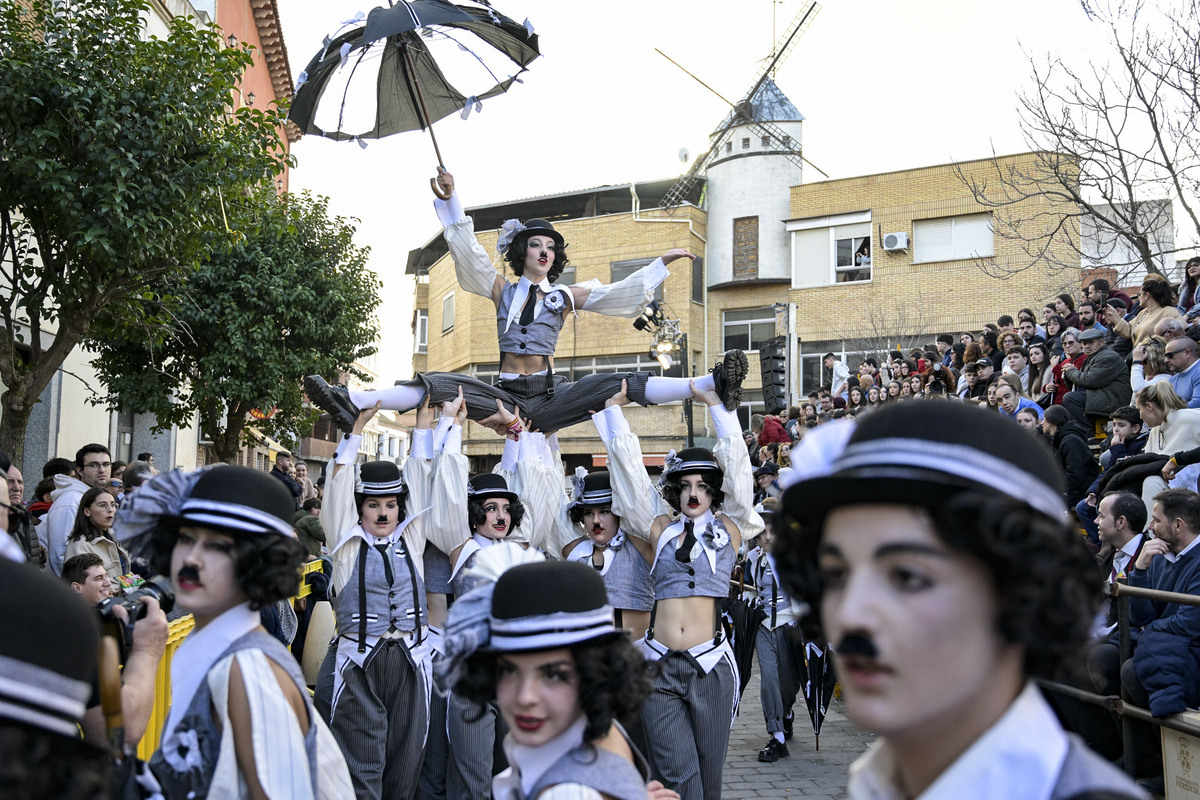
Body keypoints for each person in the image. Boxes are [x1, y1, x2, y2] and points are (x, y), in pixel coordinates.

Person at [773, 401, 1143, 799]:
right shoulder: (872, 785)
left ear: (1020, 593)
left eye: (907, 576)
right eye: (836, 575)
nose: (850, 613)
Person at [306, 169, 746, 436]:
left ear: (555, 257)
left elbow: (618, 295)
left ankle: (706, 385)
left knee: (618, 382)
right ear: (522, 253)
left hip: (549, 398)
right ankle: (356, 400)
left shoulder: (564, 295)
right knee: (438, 381)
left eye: (550, 247)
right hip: (502, 395)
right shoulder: (503, 289)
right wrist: (451, 199)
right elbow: (469, 254)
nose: (543, 252)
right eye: (535, 245)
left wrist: (658, 264)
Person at [133, 465, 354, 798]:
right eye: (186, 539)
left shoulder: (247, 669)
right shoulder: (208, 647)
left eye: (219, 547)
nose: (192, 559)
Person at [605, 382, 763, 800]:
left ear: (714, 490)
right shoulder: (659, 529)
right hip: (657, 668)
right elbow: (632, 480)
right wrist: (614, 414)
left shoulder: (730, 528)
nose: (694, 493)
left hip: (711, 667)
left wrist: (714, 404)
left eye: (703, 485)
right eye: (686, 485)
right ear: (676, 489)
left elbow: (742, 481)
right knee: (679, 774)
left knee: (708, 781)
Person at [447, 557, 670, 800]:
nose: (525, 697)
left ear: (595, 673)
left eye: (552, 675)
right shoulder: (597, 730)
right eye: (509, 670)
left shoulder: (567, 791)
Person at [0, 556, 111, 799]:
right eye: (99, 577)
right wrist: (145, 653)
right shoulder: (63, 614)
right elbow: (114, 731)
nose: (107, 583)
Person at [746, 519, 799, 763]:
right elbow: (748, 591)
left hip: (790, 625)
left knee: (788, 683)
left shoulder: (794, 558)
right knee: (769, 677)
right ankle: (776, 735)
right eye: (761, 532)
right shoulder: (753, 559)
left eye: (772, 531)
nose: (766, 537)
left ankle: (786, 712)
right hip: (764, 624)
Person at [42, 443, 111, 575]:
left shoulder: (96, 497)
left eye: (106, 464)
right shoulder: (70, 501)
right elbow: (60, 555)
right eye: (94, 465)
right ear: (80, 470)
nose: (102, 470)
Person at [64, 487, 129, 590]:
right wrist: (126, 582)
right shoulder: (80, 545)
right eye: (103, 505)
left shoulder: (114, 536)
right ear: (87, 511)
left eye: (113, 505)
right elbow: (83, 586)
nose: (110, 510)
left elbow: (125, 572)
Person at [1041, 405, 1100, 509]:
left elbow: (1075, 476)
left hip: (1080, 493)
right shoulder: (1063, 439)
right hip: (1071, 491)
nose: (1041, 423)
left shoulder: (1071, 441)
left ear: (1051, 422)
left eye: (1044, 419)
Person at [1106, 275, 1183, 348]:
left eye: (1139, 294)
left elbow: (1182, 327)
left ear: (1146, 295)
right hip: (1138, 355)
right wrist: (1114, 315)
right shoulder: (1143, 313)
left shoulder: (1169, 311)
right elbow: (1128, 330)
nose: (1139, 298)